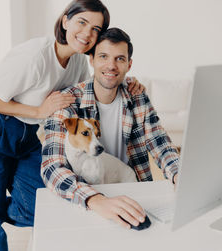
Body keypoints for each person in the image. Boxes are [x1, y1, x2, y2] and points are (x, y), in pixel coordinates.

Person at [0, 0, 144, 251]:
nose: (87, 33)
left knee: (44, 204)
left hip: (26, 132)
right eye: (82, 22)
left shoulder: (76, 59)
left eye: (95, 29)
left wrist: (126, 83)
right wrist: (39, 110)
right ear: (65, 20)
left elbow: (90, 91)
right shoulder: (35, 56)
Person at [41, 27, 179, 229]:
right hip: (86, 197)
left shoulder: (137, 96)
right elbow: (52, 167)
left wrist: (177, 173)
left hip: (133, 189)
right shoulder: (67, 101)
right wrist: (95, 199)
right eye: (103, 56)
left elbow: (160, 143)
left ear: (129, 65)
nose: (111, 65)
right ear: (92, 60)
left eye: (119, 59)